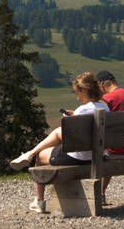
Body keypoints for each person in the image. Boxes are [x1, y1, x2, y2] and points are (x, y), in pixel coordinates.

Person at [9, 72, 110, 213]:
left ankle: (39, 200)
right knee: (57, 133)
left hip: (79, 157)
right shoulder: (105, 108)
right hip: (98, 156)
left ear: (84, 90)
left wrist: (68, 120)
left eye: (77, 92)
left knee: (42, 155)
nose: (77, 97)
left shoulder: (83, 109)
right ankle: (30, 154)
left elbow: (70, 138)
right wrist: (74, 117)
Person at [94, 70, 124, 199]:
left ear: (102, 84)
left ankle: (100, 195)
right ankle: (102, 193)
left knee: (102, 150)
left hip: (115, 152)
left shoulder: (106, 99)